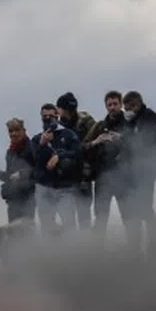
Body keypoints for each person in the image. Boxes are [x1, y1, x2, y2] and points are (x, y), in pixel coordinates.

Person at [84, 91, 141, 251]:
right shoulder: (100, 126)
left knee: (129, 216)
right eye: (109, 104)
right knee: (100, 218)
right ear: (106, 106)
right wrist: (97, 141)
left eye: (115, 104)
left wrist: (123, 139)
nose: (112, 107)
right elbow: (84, 147)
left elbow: (141, 145)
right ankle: (97, 252)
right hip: (103, 179)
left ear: (121, 104)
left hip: (124, 179)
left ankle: (134, 251)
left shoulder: (130, 123)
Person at [122, 91, 156, 249]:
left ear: (137, 105)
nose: (127, 111)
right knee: (133, 210)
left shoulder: (149, 117)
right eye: (125, 108)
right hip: (131, 173)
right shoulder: (130, 121)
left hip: (146, 171)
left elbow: (154, 142)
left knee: (145, 208)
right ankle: (135, 244)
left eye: (129, 107)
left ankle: (154, 243)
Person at [31, 104, 82, 235]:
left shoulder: (69, 134)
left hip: (65, 187)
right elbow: (34, 161)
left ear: (57, 116)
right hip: (44, 187)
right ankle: (51, 253)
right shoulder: (37, 139)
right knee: (47, 225)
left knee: (69, 224)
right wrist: (42, 144)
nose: (48, 119)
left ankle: (72, 252)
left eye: (51, 116)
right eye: (45, 117)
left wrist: (59, 156)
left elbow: (78, 153)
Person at [56, 92, 97, 231]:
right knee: (68, 216)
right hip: (66, 176)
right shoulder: (58, 126)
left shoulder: (86, 120)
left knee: (84, 213)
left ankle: (85, 247)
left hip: (84, 173)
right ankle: (73, 247)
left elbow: (95, 144)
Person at [0, 118, 36, 224]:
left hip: (29, 197)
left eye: (16, 130)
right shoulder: (10, 152)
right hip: (13, 198)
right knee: (13, 230)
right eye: (10, 131)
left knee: (26, 228)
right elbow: (10, 174)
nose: (13, 133)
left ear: (24, 131)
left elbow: (38, 170)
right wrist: (4, 176)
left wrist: (22, 174)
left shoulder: (32, 148)